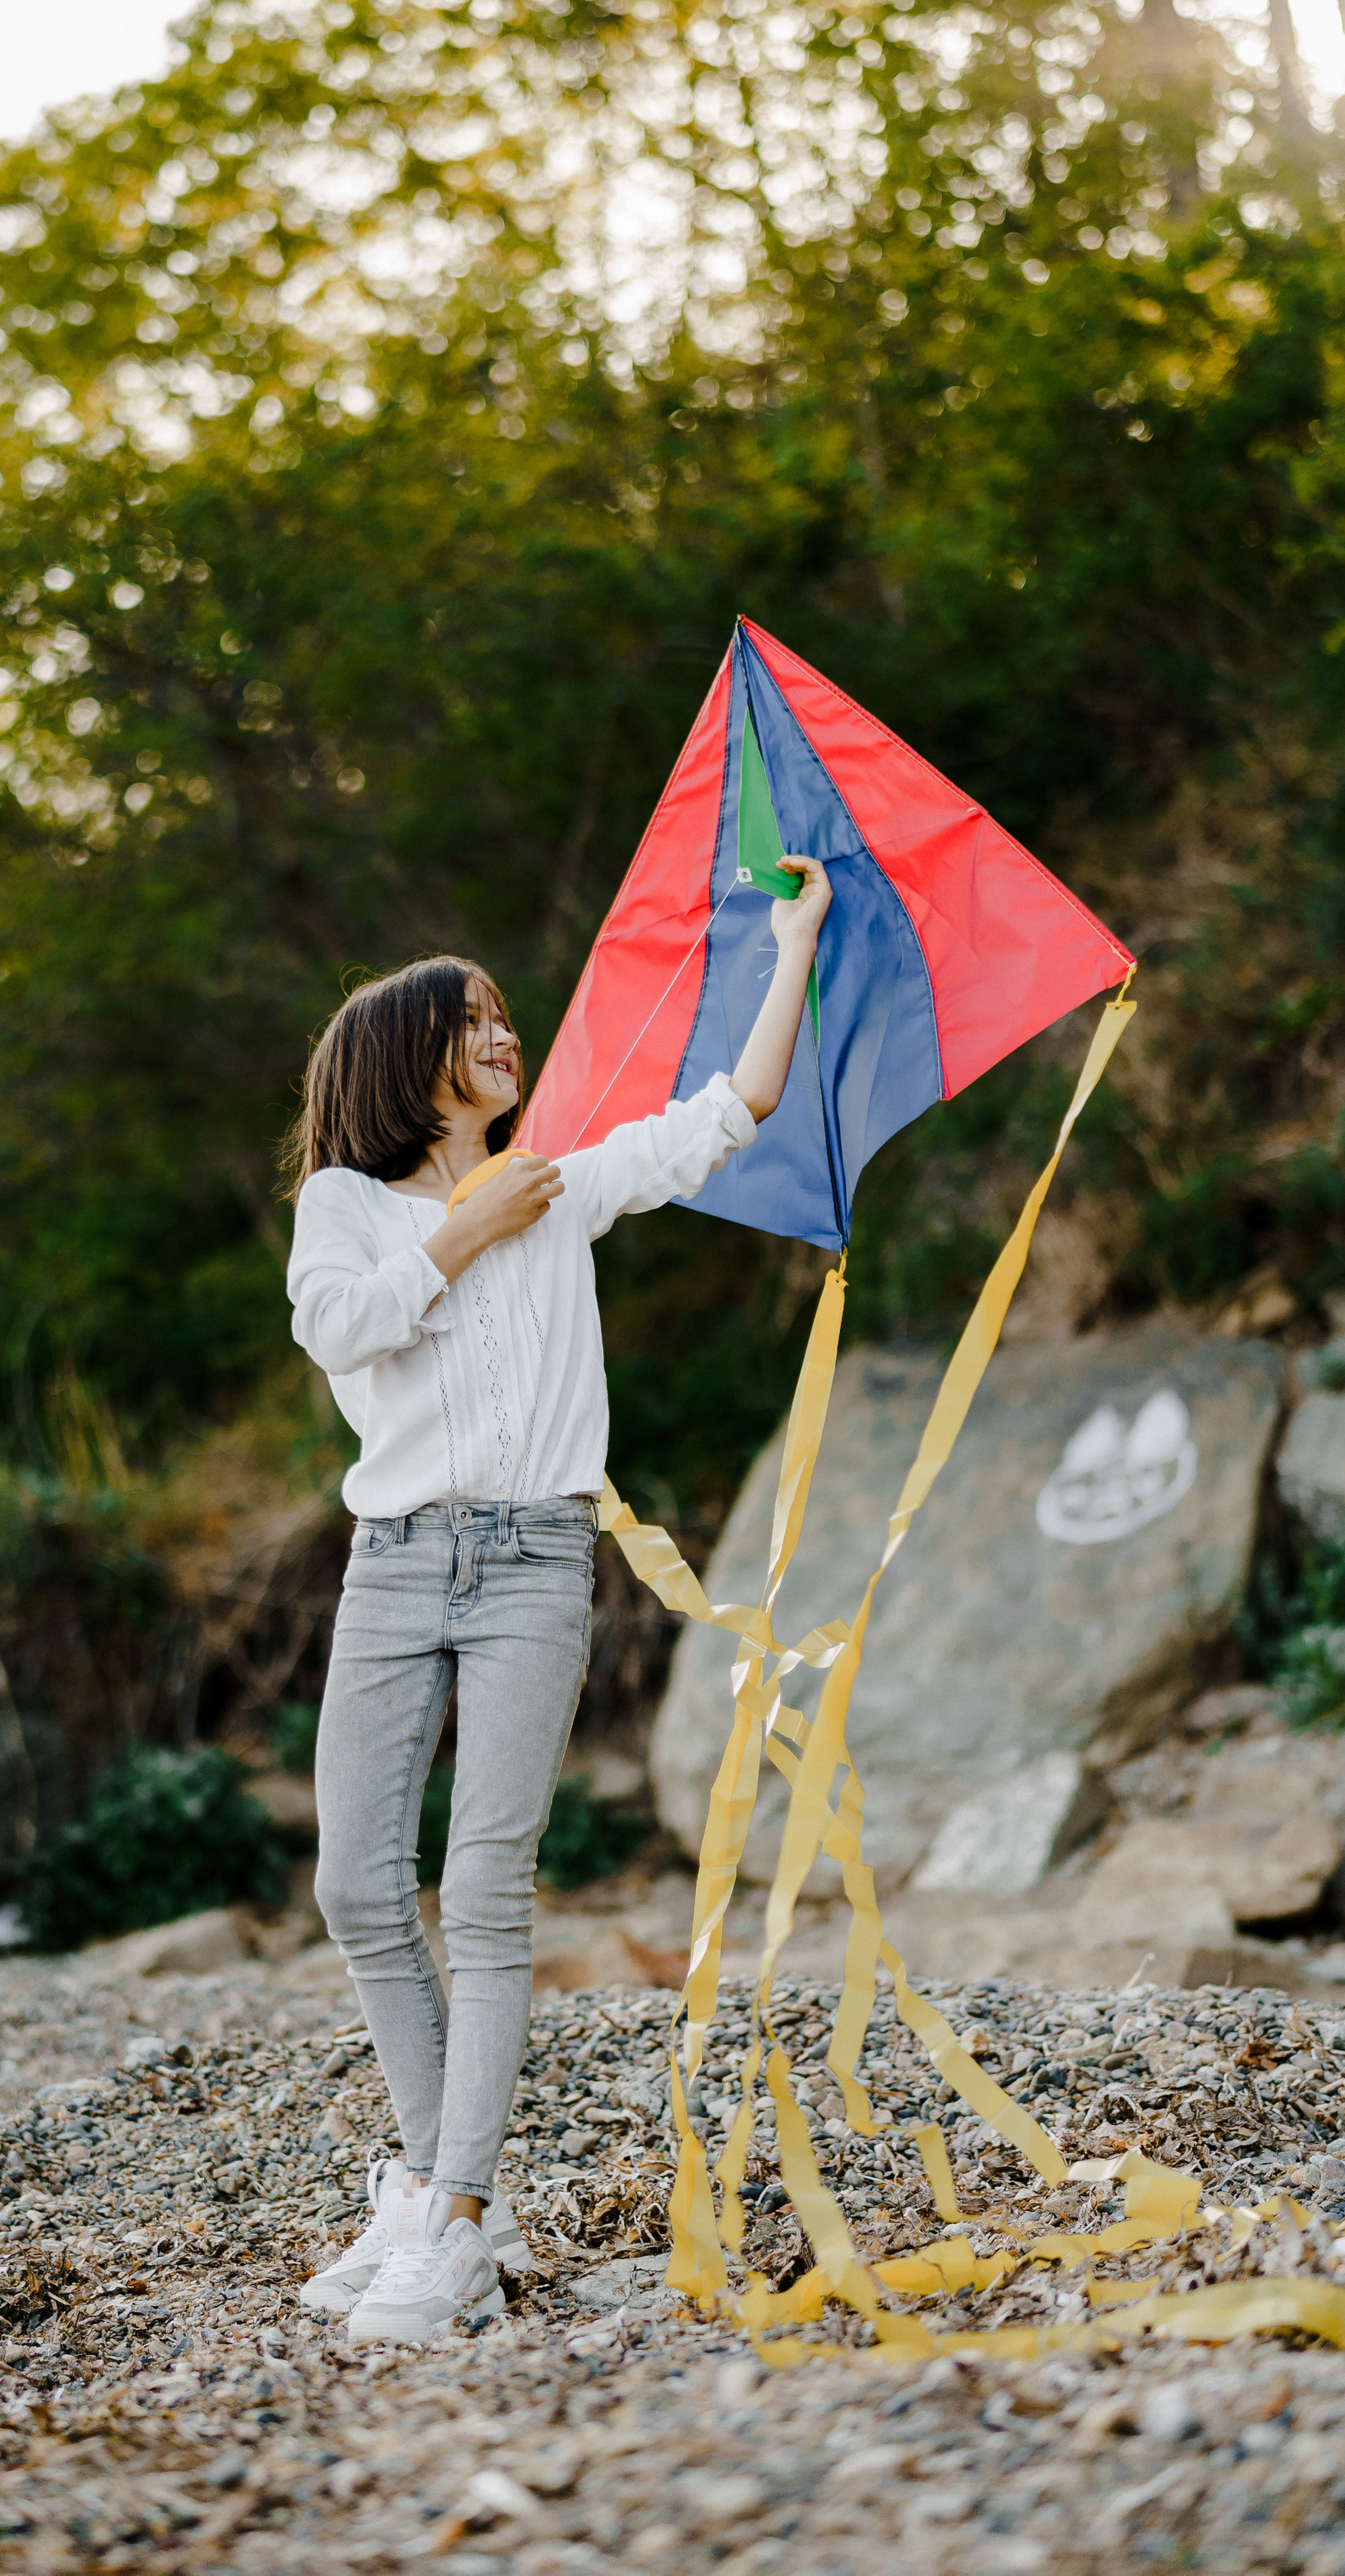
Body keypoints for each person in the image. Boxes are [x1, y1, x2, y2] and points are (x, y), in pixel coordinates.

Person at [281, 857, 832, 2343]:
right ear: (413, 1055)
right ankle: (431, 2180)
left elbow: (732, 1116)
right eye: (478, 1023)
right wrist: (464, 1231)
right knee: (351, 1883)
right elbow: (337, 1330)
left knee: (482, 1887)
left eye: (507, 1020)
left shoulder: (566, 1182)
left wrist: (792, 945)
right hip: (392, 1562)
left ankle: (454, 2218)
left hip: (533, 1558)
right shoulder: (342, 1204)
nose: (506, 1039)